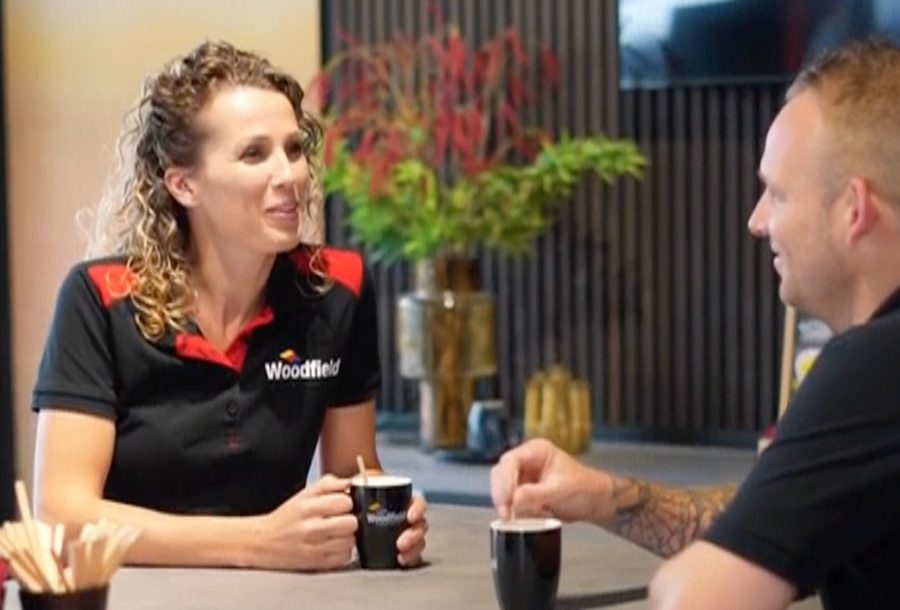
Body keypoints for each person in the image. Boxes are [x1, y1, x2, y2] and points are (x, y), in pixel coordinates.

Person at [491, 37, 900, 610]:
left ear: (854, 209)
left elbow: (691, 598)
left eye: (777, 194)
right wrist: (603, 495)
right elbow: (778, 525)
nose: (757, 220)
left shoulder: (873, 366)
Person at [30, 40, 427, 571]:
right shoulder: (98, 299)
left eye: (294, 149)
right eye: (254, 154)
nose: (290, 176)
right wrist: (257, 543)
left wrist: (388, 513)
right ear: (184, 184)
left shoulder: (337, 290)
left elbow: (351, 470)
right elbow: (62, 518)